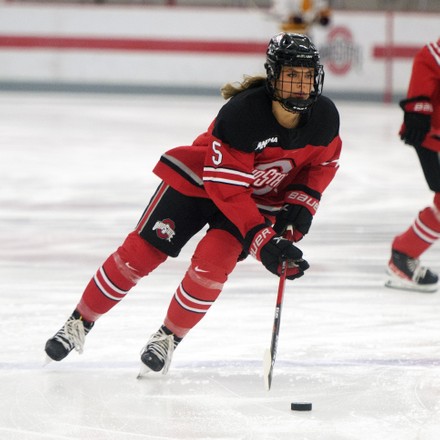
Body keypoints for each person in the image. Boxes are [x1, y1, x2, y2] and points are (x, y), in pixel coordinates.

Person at [45, 33, 342, 375]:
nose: (300, 85)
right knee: (139, 255)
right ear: (274, 76)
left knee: (211, 268)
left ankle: (167, 338)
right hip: (203, 184)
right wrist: (264, 243)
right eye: (292, 75)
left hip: (256, 200)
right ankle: (80, 322)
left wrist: (301, 204)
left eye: (306, 76)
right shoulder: (244, 113)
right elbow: (227, 191)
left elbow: (323, 164)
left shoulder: (324, 118)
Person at [385, 38, 440, 293]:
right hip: (432, 133)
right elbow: (428, 58)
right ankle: (402, 256)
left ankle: (403, 256)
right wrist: (419, 106)